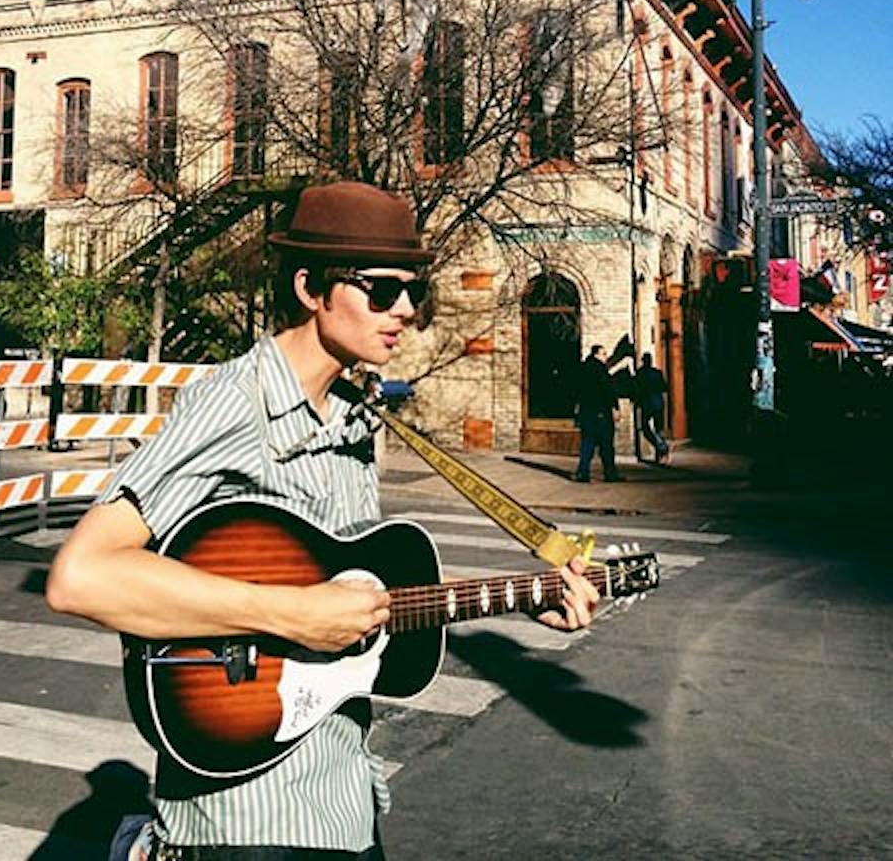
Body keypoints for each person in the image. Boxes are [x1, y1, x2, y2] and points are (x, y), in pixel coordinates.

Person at [46, 181, 600, 861]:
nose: (403, 311)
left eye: (412, 292)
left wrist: (526, 595)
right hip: (242, 818)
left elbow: (353, 590)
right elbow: (82, 577)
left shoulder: (354, 418)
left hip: (341, 802)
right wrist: (291, 614)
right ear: (310, 288)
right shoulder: (235, 403)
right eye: (379, 290)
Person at [573, 344, 622, 483]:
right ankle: (610, 473)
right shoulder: (600, 370)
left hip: (586, 411)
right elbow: (607, 391)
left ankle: (583, 472)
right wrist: (615, 408)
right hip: (601, 412)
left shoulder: (583, 369)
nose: (606, 357)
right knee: (606, 445)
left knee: (587, 443)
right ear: (597, 355)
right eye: (604, 354)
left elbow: (577, 391)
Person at [634, 352, 669, 463]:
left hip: (646, 403)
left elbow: (637, 389)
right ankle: (661, 450)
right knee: (659, 429)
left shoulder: (640, 373)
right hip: (657, 403)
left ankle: (660, 448)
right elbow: (664, 388)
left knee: (645, 428)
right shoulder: (657, 373)